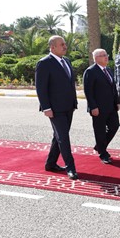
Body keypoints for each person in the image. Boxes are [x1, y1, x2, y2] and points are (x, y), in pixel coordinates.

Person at [35, 35, 79, 180]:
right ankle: (71, 168)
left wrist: (74, 102)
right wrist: (46, 107)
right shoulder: (44, 63)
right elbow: (41, 88)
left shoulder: (66, 61)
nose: (65, 46)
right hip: (55, 109)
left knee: (58, 136)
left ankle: (50, 163)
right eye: (62, 44)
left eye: (65, 44)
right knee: (64, 138)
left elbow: (70, 84)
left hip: (68, 107)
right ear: (52, 47)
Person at [83, 48, 120, 164]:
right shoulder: (90, 71)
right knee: (100, 130)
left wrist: (117, 101)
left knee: (114, 126)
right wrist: (93, 107)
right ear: (96, 58)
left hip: (111, 106)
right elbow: (88, 91)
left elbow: (113, 87)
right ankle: (103, 153)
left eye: (106, 54)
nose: (106, 57)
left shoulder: (108, 69)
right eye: (103, 55)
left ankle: (100, 146)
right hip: (98, 108)